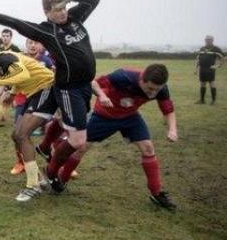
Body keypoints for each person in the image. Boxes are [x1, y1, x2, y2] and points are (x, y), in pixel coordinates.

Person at [0, 0, 101, 185]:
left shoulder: (74, 18)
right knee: (78, 139)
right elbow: (15, 23)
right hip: (67, 87)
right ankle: (51, 168)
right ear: (47, 13)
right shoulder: (47, 31)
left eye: (64, 7)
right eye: (57, 10)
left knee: (68, 127)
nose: (63, 12)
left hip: (84, 86)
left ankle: (46, 148)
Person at [48, 64, 178, 211]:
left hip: (130, 117)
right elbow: (93, 82)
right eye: (149, 89)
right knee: (80, 148)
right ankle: (62, 181)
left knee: (148, 148)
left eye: (157, 90)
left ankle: (156, 193)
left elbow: (168, 110)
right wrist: (102, 96)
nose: (152, 93)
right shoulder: (123, 77)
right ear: (142, 80)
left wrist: (172, 129)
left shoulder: (160, 89)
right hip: (104, 115)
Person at [0, 46, 56, 201]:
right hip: (36, 92)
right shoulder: (3, 61)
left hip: (47, 88)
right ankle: (38, 178)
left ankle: (33, 186)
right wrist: (12, 93)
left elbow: (22, 74)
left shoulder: (5, 58)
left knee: (22, 134)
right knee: (16, 135)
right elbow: (20, 74)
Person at [9, 39, 54, 174]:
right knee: (16, 134)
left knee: (50, 131)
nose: (33, 45)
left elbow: (53, 79)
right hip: (23, 100)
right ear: (26, 45)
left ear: (41, 45)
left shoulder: (46, 61)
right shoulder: (19, 59)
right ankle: (21, 163)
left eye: (36, 43)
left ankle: (54, 162)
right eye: (30, 43)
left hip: (43, 101)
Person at [0, 29, 22, 126]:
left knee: (4, 98)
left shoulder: (14, 48)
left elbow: (21, 61)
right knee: (0, 94)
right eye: (4, 36)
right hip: (3, 75)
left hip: (13, 77)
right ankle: (1, 116)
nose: (5, 38)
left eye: (7, 36)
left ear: (11, 37)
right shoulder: (2, 47)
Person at [195, 35, 223, 105]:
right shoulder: (202, 48)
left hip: (210, 69)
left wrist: (217, 66)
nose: (207, 41)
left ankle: (213, 101)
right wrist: (196, 68)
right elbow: (198, 59)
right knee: (202, 84)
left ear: (212, 40)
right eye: (206, 40)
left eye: (209, 40)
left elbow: (223, 57)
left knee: (212, 83)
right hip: (202, 69)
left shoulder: (216, 48)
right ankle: (202, 100)